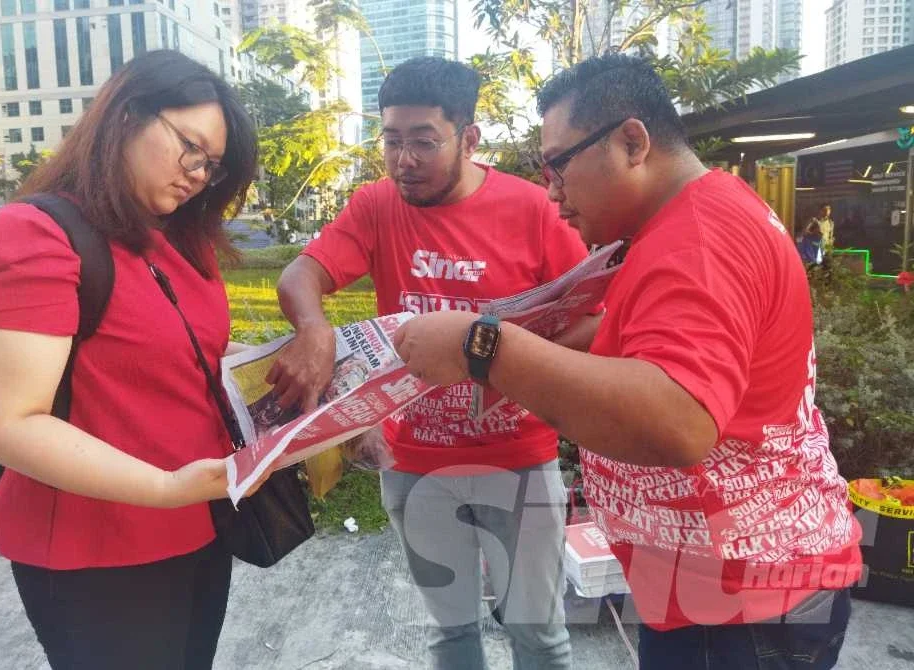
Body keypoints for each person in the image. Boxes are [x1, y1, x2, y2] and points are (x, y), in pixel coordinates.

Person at [393, 54, 863, 669]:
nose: (552, 190)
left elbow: (678, 419)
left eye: (559, 164)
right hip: (719, 591)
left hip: (743, 608)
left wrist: (479, 346)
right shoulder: (687, 221)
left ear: (632, 142)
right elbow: (646, 349)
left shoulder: (698, 242)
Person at [269, 57, 588, 669]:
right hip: (413, 461)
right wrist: (314, 329)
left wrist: (513, 364)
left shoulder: (534, 210)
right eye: (391, 140)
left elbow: (590, 318)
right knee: (450, 633)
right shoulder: (377, 206)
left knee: (539, 634)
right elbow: (300, 274)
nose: (403, 159)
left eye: (424, 142)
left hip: (517, 457)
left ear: (469, 138)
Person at [0, 50, 261, 670]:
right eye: (190, 147)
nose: (200, 175)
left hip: (197, 526)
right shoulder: (34, 236)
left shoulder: (176, 242)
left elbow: (187, 355)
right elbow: (9, 423)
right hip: (92, 553)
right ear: (125, 116)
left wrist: (290, 370)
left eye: (212, 164)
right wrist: (166, 487)